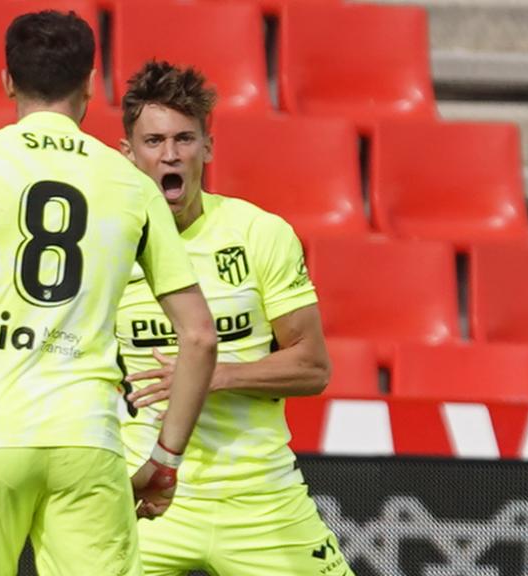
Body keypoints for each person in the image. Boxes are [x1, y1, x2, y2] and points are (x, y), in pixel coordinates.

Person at [0, 12, 217, 575]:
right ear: (91, 84)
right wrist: (164, 462)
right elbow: (197, 334)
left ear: (7, 80)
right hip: (86, 438)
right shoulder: (130, 183)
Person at [113, 60, 355, 576]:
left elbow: (313, 366)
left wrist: (210, 374)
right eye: (153, 142)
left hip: (258, 495)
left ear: (208, 147)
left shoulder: (260, 233)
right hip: (143, 493)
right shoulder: (106, 250)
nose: (171, 155)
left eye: (185, 139)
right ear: (127, 154)